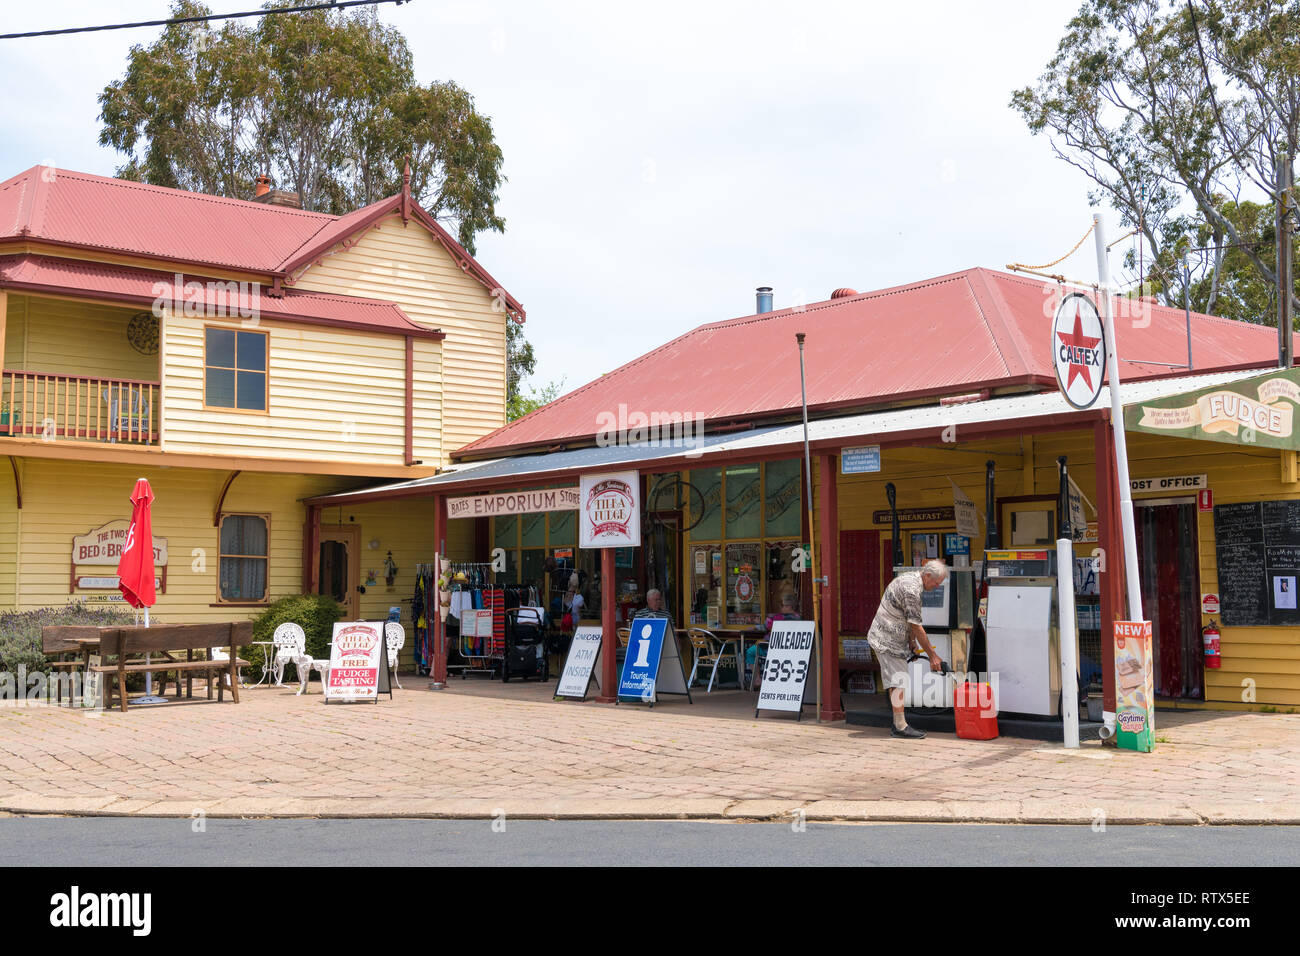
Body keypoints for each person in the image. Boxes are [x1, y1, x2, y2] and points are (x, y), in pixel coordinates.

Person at [866, 559, 948, 739]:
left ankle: (899, 723)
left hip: (892, 636)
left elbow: (908, 618)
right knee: (898, 681)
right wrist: (933, 656)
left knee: (897, 680)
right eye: (936, 583)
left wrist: (911, 642)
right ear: (927, 576)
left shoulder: (910, 579)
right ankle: (900, 726)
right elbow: (917, 625)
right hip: (886, 639)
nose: (936, 587)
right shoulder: (911, 590)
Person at [751, 591, 799, 682]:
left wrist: (754, 627)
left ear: (789, 606)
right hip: (792, 649)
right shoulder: (799, 618)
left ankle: (758, 680)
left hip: (772, 647)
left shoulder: (778, 618)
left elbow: (764, 627)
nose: (780, 607)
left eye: (782, 605)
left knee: (750, 652)